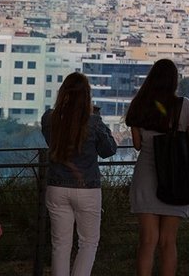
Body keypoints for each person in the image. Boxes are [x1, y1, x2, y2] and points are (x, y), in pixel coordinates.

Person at [125, 58, 189, 276]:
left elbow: (137, 145)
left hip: (145, 177)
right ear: (174, 81)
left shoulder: (138, 105)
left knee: (147, 241)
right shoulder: (184, 105)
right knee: (168, 242)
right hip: (175, 178)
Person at [41, 72, 117, 276]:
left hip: (56, 186)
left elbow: (53, 145)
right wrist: (98, 119)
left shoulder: (49, 118)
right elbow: (109, 150)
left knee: (60, 244)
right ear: (86, 96)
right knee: (88, 243)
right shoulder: (93, 122)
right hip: (87, 188)